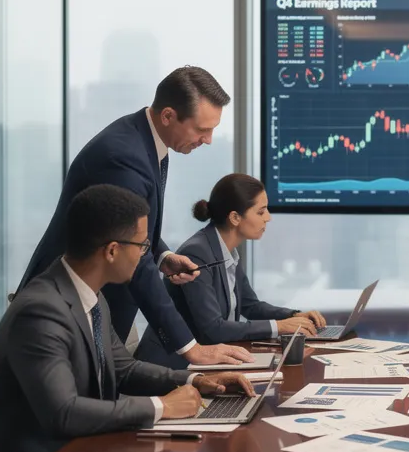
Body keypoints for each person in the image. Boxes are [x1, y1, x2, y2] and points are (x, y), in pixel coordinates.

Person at [0, 185, 256, 452]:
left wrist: (197, 380)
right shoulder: (41, 312)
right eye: (142, 245)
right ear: (111, 251)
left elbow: (124, 369)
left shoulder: (89, 295)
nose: (145, 256)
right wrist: (162, 406)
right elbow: (62, 412)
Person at [20, 66, 251, 366]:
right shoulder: (124, 157)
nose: (207, 139)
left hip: (93, 306)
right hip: (66, 308)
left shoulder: (144, 141)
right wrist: (190, 348)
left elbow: (129, 229)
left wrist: (162, 255)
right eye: (201, 129)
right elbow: (132, 254)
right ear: (168, 116)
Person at [135, 173, 329, 369]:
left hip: (205, 362)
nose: (268, 218)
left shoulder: (226, 250)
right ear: (235, 218)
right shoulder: (197, 252)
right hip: (168, 368)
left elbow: (250, 306)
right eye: (261, 212)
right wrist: (279, 327)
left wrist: (294, 316)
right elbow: (213, 329)